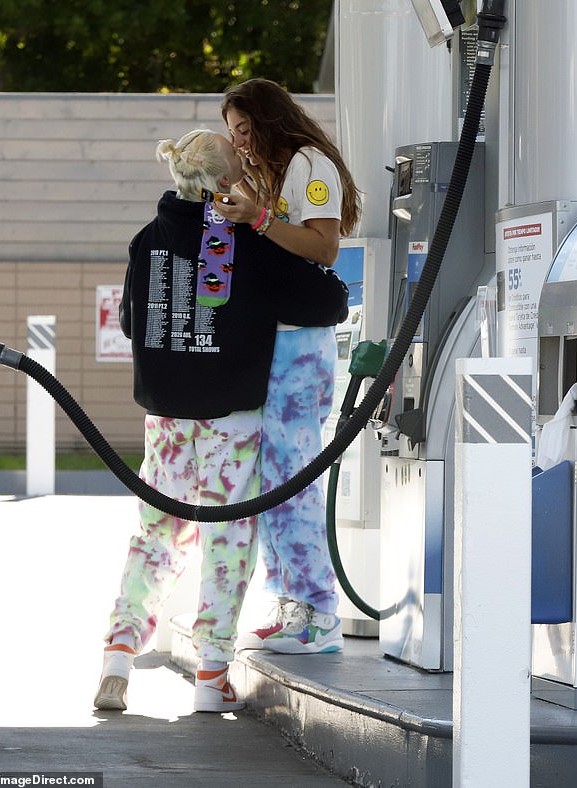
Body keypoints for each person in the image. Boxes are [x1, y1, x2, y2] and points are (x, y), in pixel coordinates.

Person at [93, 128, 348, 713]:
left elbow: (135, 323)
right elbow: (326, 300)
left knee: (156, 536)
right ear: (228, 181)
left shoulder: (146, 240)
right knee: (227, 536)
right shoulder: (244, 242)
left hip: (164, 418)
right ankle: (212, 674)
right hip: (232, 418)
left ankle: (116, 656)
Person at [215, 78, 361, 655]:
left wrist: (257, 219)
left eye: (246, 130)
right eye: (233, 135)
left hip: (302, 345)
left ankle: (318, 613)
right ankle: (292, 605)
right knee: (273, 474)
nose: (242, 143)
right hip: (278, 340)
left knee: (292, 470)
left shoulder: (310, 163)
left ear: (270, 119)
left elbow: (325, 247)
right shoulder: (278, 173)